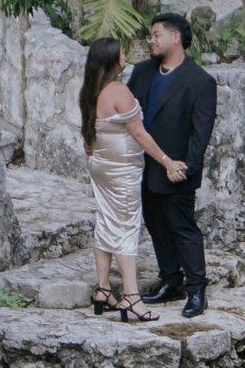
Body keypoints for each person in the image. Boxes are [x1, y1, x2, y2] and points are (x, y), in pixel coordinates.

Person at [79, 33, 188, 322]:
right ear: (114, 61)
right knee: (127, 227)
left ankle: (103, 289)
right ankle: (131, 296)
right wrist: (167, 161)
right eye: (122, 53)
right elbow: (139, 133)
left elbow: (88, 137)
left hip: (100, 165)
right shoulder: (118, 91)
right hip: (121, 170)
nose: (126, 56)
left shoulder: (91, 90)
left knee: (105, 221)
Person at [130, 9, 218, 316]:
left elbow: (200, 132)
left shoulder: (200, 81)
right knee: (155, 225)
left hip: (177, 170)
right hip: (143, 168)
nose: (150, 40)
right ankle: (171, 280)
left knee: (183, 228)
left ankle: (197, 290)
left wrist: (186, 167)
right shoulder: (141, 73)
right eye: (151, 35)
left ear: (175, 37)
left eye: (156, 35)